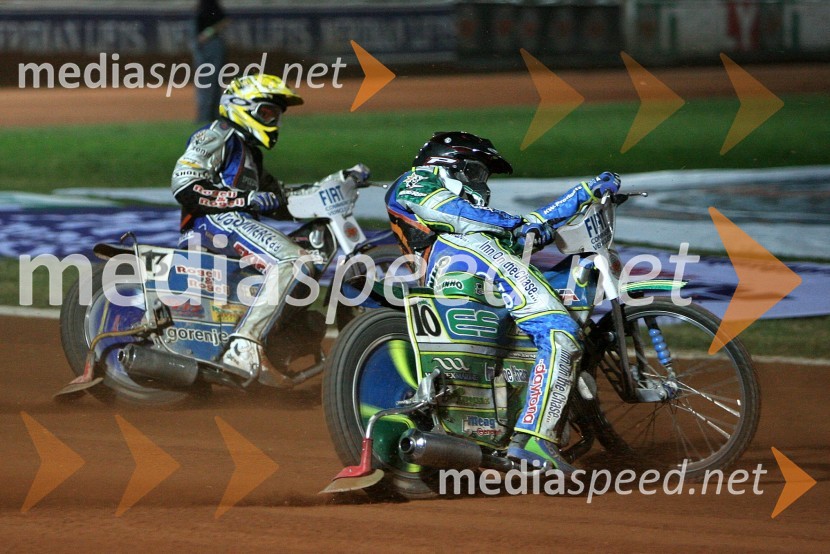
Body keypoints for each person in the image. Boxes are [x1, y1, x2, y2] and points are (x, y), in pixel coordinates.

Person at [385, 131, 621, 473]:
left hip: (472, 265)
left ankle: (517, 422)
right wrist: (513, 224)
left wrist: (580, 196)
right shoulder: (418, 179)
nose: (484, 184)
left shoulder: (477, 222)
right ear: (449, 166)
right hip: (466, 258)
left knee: (555, 317)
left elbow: (528, 230)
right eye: (478, 173)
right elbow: (464, 215)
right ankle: (536, 441)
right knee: (560, 332)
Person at [171, 74, 321, 388]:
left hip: (230, 223)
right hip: (214, 222)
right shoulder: (218, 134)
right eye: (267, 113)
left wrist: (335, 185)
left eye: (276, 116)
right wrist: (243, 198)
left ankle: (272, 341)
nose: (274, 122)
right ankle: (244, 346)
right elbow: (184, 183)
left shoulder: (250, 154)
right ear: (242, 107)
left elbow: (282, 201)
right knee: (294, 261)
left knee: (309, 255)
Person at [193, 0, 229, 122]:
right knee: (209, 80)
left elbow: (224, 20)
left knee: (207, 80)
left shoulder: (209, 3)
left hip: (211, 44)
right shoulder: (204, 4)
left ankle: (206, 116)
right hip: (206, 45)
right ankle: (213, 115)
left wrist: (207, 33)